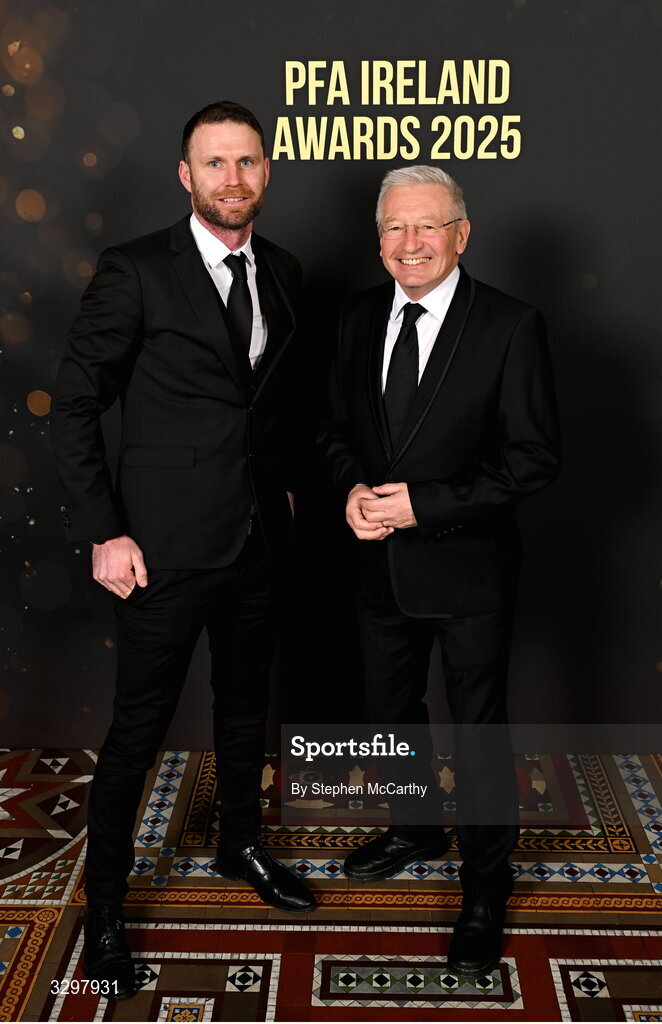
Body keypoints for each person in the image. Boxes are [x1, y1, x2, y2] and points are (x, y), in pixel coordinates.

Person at [51, 100, 315, 1001]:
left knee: (248, 712)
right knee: (136, 736)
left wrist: (283, 486)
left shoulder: (282, 272)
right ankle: (109, 912)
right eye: (214, 164)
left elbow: (268, 404)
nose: (232, 179)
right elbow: (77, 403)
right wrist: (102, 531)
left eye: (247, 162)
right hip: (157, 551)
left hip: (257, 543)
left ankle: (240, 842)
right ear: (186, 175)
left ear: (267, 170)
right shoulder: (134, 271)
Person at [319, 165, 560, 976]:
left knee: (478, 732)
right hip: (377, 565)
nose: (410, 243)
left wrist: (427, 504)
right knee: (389, 709)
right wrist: (350, 485)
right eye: (394, 227)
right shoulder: (354, 320)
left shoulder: (509, 324)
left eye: (427, 226)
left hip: (468, 570)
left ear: (462, 234)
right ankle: (414, 823)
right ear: (377, 238)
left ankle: (486, 888)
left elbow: (534, 459)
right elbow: (331, 430)